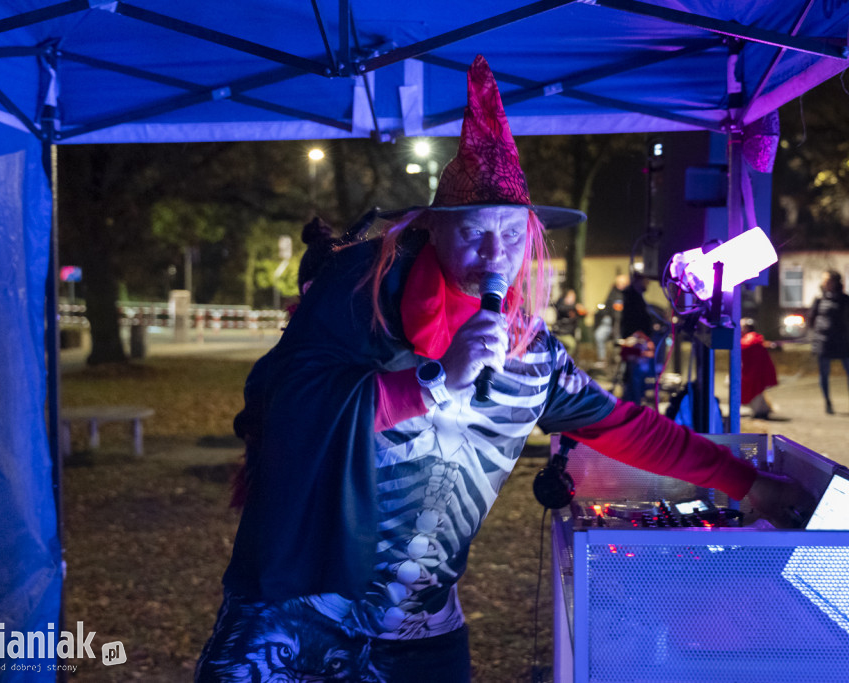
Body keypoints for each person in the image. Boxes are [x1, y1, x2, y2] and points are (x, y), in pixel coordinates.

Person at [196, 55, 806, 683]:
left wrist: (745, 482)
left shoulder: (531, 352)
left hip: (424, 632)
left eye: (512, 236)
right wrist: (434, 380)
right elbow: (283, 403)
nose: (495, 254)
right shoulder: (359, 299)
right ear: (431, 228)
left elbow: (622, 425)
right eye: (474, 232)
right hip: (298, 617)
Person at [808, 269, 849, 416]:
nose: (825, 283)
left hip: (842, 342)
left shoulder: (845, 299)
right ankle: (827, 403)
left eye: (827, 280)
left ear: (835, 282)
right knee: (824, 374)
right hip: (824, 342)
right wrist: (815, 340)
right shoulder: (819, 299)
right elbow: (811, 319)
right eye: (824, 280)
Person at [618, 269, 657, 404]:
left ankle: (633, 401)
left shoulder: (633, 296)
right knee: (635, 375)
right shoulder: (633, 297)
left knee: (634, 374)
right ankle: (633, 402)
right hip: (636, 341)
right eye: (645, 281)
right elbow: (634, 319)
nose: (648, 284)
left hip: (636, 339)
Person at [740, 318, 779, 419]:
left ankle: (760, 411)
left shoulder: (750, 339)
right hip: (756, 371)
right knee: (758, 392)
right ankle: (763, 410)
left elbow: (744, 347)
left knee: (756, 393)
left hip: (754, 372)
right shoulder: (755, 338)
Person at [592, 274, 628, 368]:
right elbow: (607, 307)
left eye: (622, 283)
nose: (620, 285)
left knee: (621, 344)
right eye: (618, 283)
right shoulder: (613, 293)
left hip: (622, 324)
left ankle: (622, 367)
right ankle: (602, 359)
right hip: (610, 322)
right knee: (599, 335)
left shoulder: (629, 295)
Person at [551, 287, 586, 354]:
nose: (573, 298)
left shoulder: (574, 307)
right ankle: (565, 361)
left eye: (574, 296)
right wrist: (574, 307)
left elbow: (582, 315)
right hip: (561, 332)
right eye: (571, 296)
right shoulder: (561, 304)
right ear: (566, 297)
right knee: (572, 344)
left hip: (570, 333)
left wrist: (584, 311)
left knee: (573, 345)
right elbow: (561, 308)